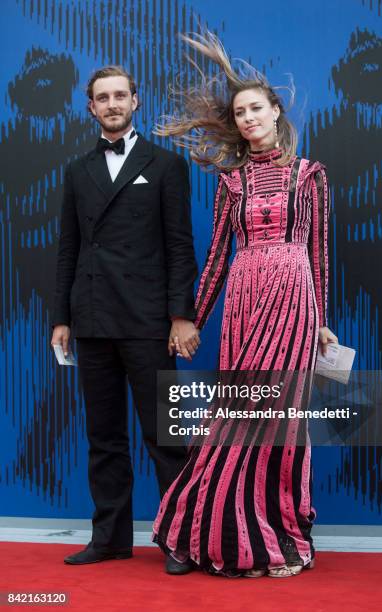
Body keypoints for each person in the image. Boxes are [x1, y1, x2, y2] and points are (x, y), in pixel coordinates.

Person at [152, 32, 338, 577]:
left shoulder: (311, 175)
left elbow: (318, 251)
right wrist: (191, 319)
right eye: (240, 113)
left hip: (295, 300)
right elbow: (214, 259)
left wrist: (321, 322)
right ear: (234, 125)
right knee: (234, 415)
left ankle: (274, 531)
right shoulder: (230, 183)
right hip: (244, 298)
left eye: (257, 107)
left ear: (276, 112)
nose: (249, 118)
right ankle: (207, 530)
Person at [51, 65, 200, 571]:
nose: (112, 104)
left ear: (136, 100)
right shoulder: (76, 171)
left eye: (120, 95)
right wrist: (62, 318)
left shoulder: (164, 164)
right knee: (104, 435)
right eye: (102, 98)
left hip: (148, 322)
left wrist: (182, 316)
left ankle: (180, 539)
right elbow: (68, 249)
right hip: (91, 319)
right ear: (90, 107)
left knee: (166, 436)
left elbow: (181, 246)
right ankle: (110, 538)